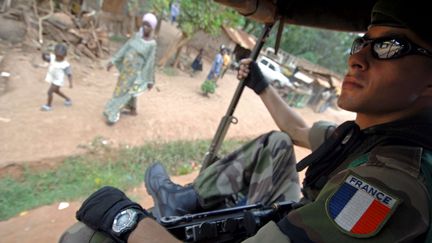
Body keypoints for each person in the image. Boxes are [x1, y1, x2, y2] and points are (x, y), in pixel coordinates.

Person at [60, 0, 432, 242]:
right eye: (361, 44)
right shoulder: (368, 138)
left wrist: (126, 219)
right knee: (276, 143)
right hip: (297, 212)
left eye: (389, 47)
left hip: (301, 223)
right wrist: (261, 85)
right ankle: (183, 199)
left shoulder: (389, 182)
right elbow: (295, 131)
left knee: (85, 236)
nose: (358, 58)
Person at [103, 13, 157, 125]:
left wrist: (150, 80)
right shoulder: (136, 36)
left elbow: (150, 62)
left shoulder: (152, 44)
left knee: (124, 91)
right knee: (123, 89)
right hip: (126, 70)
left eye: (148, 26)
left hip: (136, 72)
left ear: (152, 28)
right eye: (144, 24)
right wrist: (113, 60)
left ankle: (113, 113)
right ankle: (133, 109)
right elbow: (125, 48)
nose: (145, 27)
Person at [40, 43, 73, 111]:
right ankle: (68, 99)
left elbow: (69, 74)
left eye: (61, 57)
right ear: (55, 53)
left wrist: (70, 83)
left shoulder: (65, 65)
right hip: (53, 78)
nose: (58, 58)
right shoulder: (52, 58)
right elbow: (45, 58)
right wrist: (43, 54)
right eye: (57, 56)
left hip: (58, 81)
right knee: (56, 91)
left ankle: (48, 106)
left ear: (64, 56)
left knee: (49, 92)